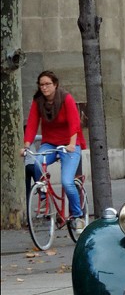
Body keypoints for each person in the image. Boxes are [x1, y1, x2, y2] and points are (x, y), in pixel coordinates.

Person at [20, 70, 86, 235]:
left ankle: (78, 216)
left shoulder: (66, 98)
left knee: (67, 182)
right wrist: (26, 145)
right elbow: (33, 123)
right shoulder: (38, 101)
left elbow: (74, 123)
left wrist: (71, 144)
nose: (44, 87)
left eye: (47, 84)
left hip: (69, 143)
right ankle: (43, 198)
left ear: (55, 84)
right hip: (49, 143)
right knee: (36, 162)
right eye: (41, 85)